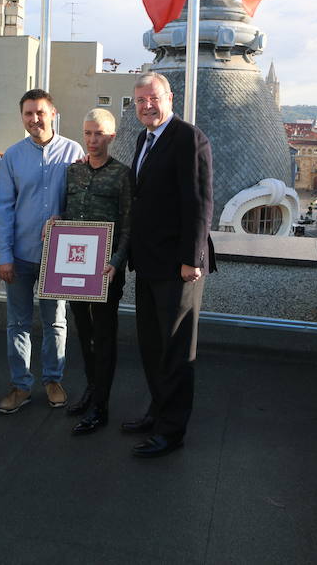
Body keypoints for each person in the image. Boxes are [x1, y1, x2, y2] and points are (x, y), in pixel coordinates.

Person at [122, 72, 215, 458]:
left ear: (169, 98)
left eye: (153, 98)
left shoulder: (189, 138)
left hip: (178, 267)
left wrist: (190, 260)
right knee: (152, 346)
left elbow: (199, 203)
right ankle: (158, 412)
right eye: (140, 100)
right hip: (148, 263)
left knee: (177, 352)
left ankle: (171, 431)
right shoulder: (145, 139)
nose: (146, 106)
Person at [0, 89, 84, 414]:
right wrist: (3, 255)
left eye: (40, 112)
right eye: (28, 114)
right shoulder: (14, 156)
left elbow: (81, 202)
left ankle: (53, 379)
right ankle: (21, 386)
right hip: (19, 254)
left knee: (55, 322)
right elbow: (3, 208)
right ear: (23, 117)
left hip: (57, 258)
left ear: (53, 113)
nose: (34, 119)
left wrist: (65, 218)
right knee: (17, 323)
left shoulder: (74, 151)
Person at [64, 109, 131, 435]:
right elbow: (66, 213)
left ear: (112, 137)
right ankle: (91, 389)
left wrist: (116, 262)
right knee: (84, 333)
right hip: (75, 268)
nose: (92, 140)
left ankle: (101, 407)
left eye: (99, 134)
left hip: (106, 271)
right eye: (88, 133)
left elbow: (129, 226)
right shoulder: (73, 173)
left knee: (104, 338)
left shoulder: (122, 175)